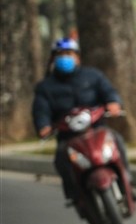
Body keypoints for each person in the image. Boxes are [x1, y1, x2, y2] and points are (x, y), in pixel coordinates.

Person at [32, 37, 130, 202]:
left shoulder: (93, 76)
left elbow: (108, 91)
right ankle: (75, 194)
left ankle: (126, 180)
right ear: (53, 58)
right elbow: (41, 110)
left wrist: (113, 103)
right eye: (60, 54)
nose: (65, 58)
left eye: (69, 53)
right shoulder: (45, 87)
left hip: (96, 128)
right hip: (68, 137)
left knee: (117, 141)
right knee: (61, 158)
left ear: (77, 57)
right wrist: (43, 126)